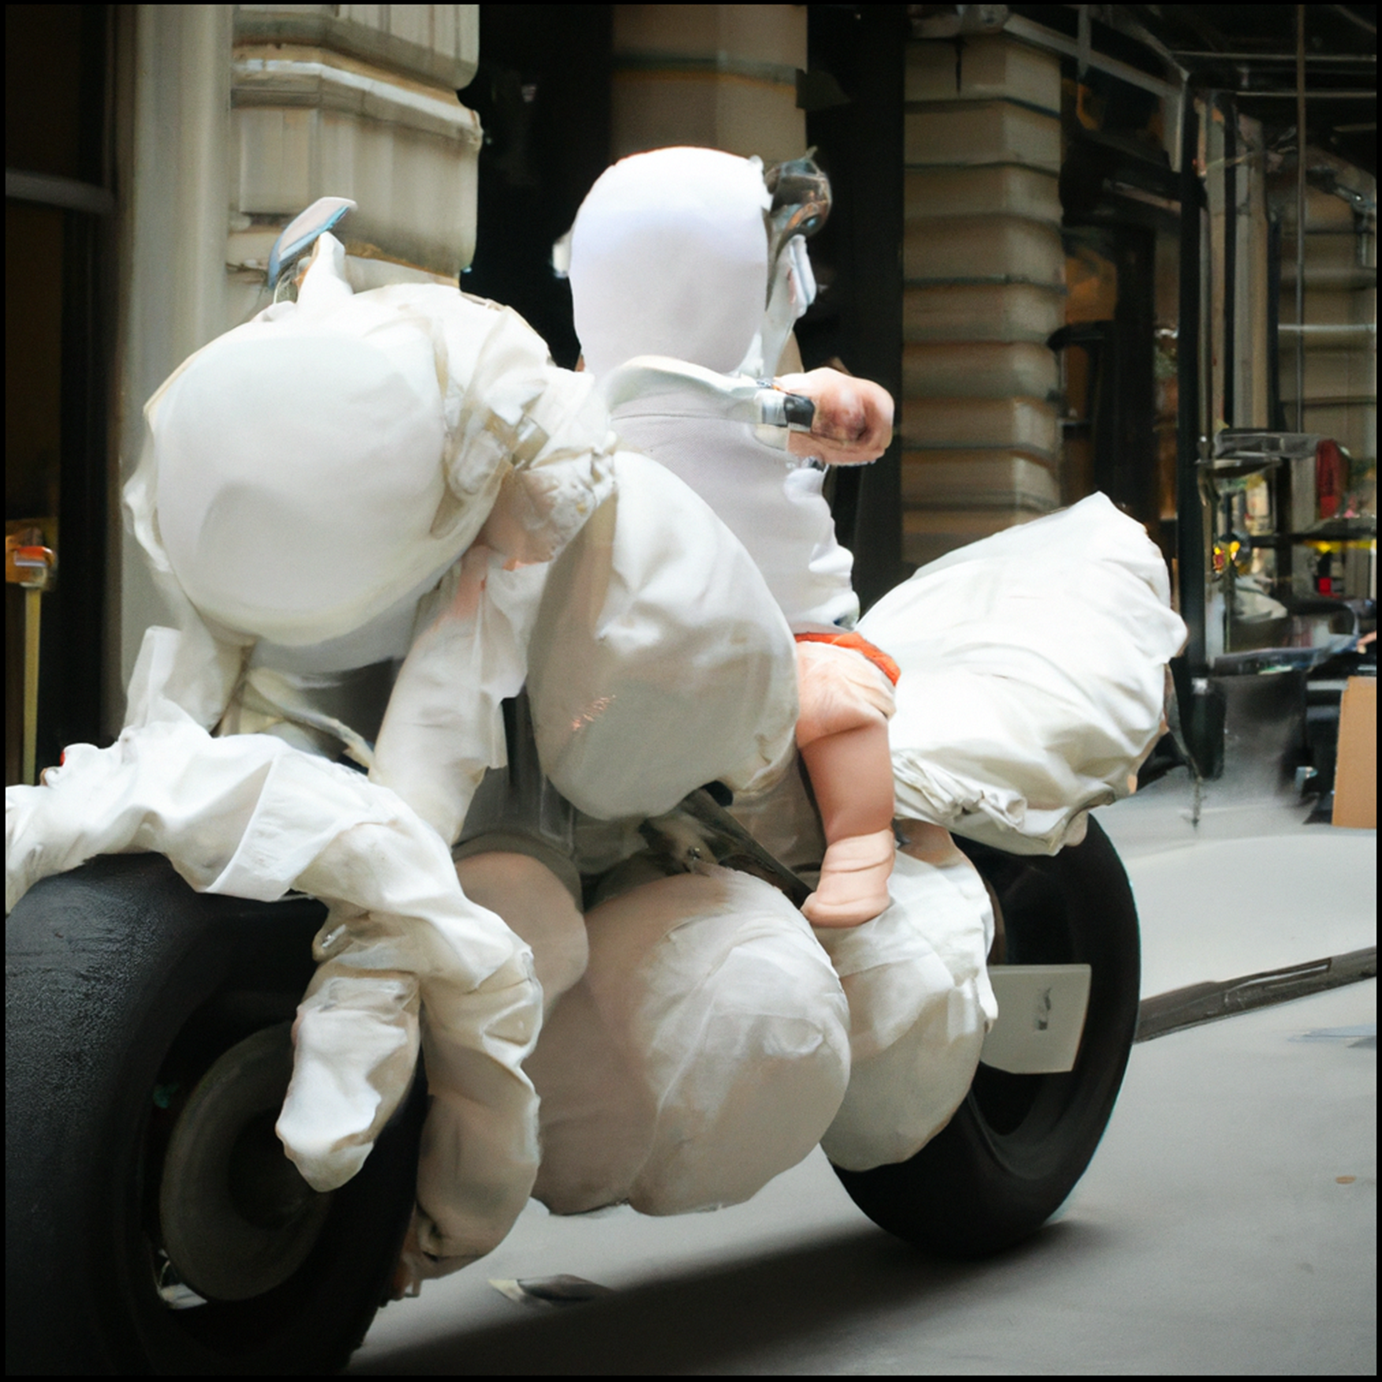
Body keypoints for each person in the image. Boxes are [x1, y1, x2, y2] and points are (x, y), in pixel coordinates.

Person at [567, 145, 901, 927]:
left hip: (784, 624)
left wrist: (846, 409)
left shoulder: (769, 393)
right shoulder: (580, 393)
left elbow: (852, 401)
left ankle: (861, 843)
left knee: (832, 698)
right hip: (626, 621)